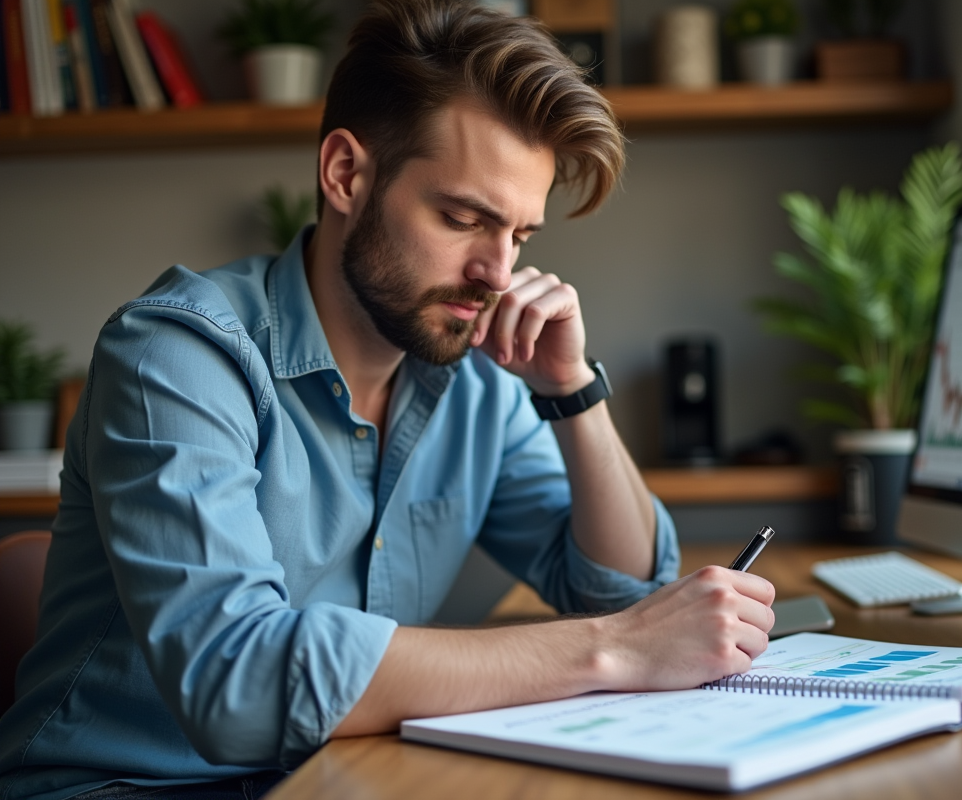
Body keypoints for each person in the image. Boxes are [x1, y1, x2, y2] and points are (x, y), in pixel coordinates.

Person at [0, 2, 775, 798]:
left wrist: (571, 392)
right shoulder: (176, 355)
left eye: (520, 236)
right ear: (345, 174)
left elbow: (630, 594)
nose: (497, 273)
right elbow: (234, 682)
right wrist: (613, 649)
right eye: (463, 218)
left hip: (345, 777)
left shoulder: (475, 381)